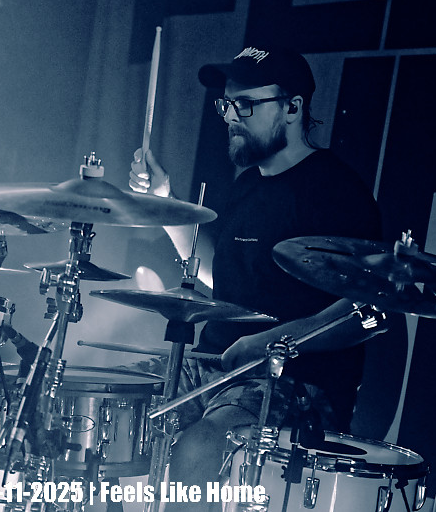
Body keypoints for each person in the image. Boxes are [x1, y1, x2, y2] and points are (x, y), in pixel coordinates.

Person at [128, 44, 384, 510]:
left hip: (296, 380)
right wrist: (163, 201)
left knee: (200, 447)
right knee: (114, 401)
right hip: (216, 363)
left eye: (245, 104)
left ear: (292, 108)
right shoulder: (247, 185)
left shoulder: (335, 190)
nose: (230, 116)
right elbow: (217, 277)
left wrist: (269, 343)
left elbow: (366, 312)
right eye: (227, 104)